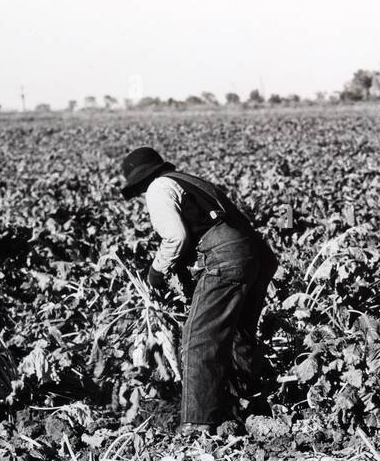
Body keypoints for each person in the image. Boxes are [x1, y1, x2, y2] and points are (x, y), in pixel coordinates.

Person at [119, 146, 278, 434]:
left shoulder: (158, 188)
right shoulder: (191, 180)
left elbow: (176, 237)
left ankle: (197, 423)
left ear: (141, 182)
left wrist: (155, 274)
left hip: (226, 258)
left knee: (199, 338)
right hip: (256, 256)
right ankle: (253, 402)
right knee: (237, 334)